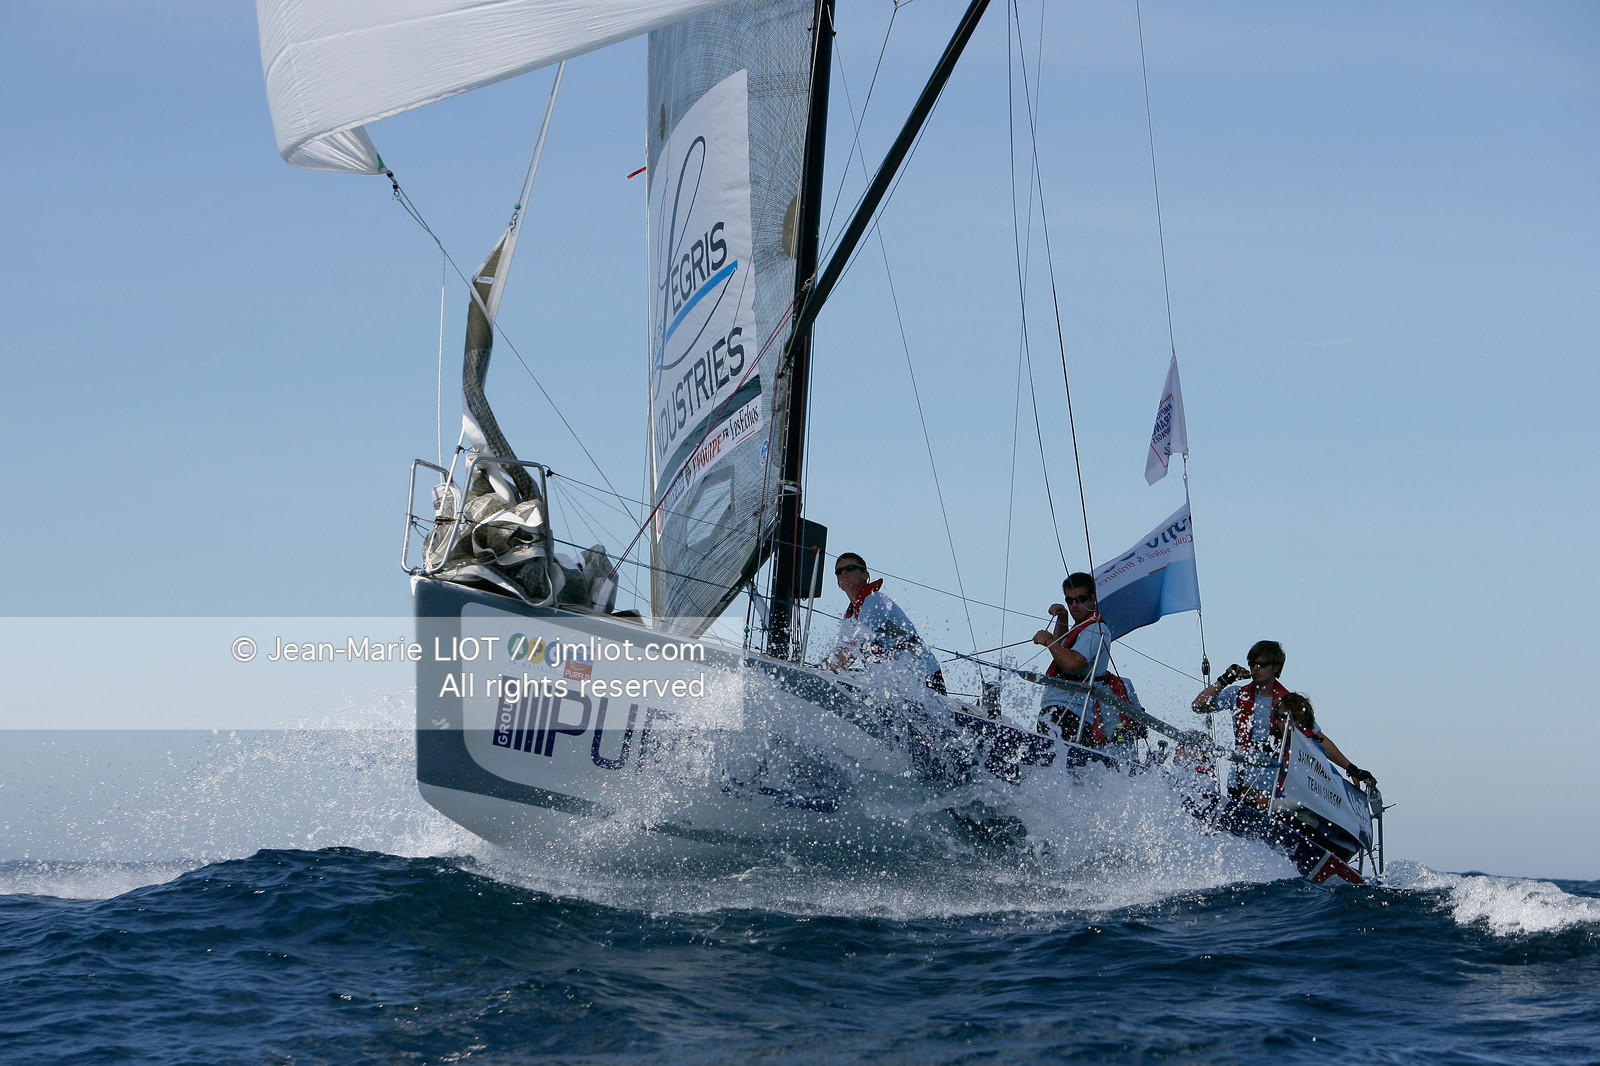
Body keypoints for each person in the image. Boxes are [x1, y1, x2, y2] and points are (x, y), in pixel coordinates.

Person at [1032, 573, 1143, 747]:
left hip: (1071, 712)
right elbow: (1062, 651)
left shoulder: (1096, 629)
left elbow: (1071, 663)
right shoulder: (1083, 627)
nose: (1074, 605)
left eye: (1080, 599)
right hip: (1059, 709)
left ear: (1092, 599)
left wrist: (1048, 641)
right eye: (1069, 601)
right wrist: (1063, 618)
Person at [823, 553, 946, 693]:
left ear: (865, 575)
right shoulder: (850, 615)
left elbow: (853, 647)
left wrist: (822, 672)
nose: (844, 572)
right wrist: (822, 668)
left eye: (850, 568)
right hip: (899, 681)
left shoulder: (875, 600)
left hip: (923, 676)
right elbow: (842, 649)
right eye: (838, 571)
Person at [1191, 639, 1288, 797]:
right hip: (1237, 782)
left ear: (1276, 667)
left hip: (1272, 788)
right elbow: (1198, 706)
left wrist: (1344, 764)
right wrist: (1224, 680)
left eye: (1262, 664)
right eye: (1252, 663)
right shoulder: (1236, 694)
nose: (1256, 668)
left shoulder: (1288, 702)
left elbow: (1315, 736)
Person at [1279, 692, 1376, 788]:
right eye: (1280, 718)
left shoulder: (1311, 745)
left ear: (1303, 722)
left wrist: (1351, 768)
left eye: (1292, 719)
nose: (1285, 723)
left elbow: (1321, 741)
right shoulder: (1272, 742)